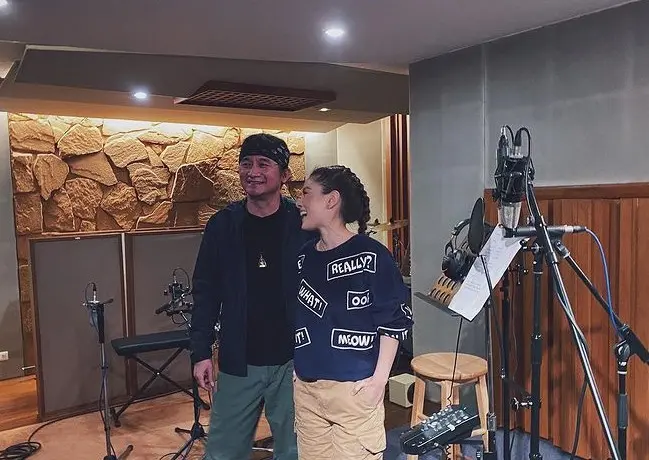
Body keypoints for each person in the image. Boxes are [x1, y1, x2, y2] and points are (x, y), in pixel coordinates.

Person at [190, 133, 316, 460]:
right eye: (246, 163)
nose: (253, 172)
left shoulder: (304, 225)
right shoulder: (223, 226)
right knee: (222, 452)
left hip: (294, 362)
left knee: (295, 451)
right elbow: (205, 290)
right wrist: (200, 352)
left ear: (284, 174)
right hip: (239, 360)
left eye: (263, 164)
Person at [293, 165, 414, 460]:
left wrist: (378, 382)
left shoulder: (372, 256)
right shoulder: (304, 257)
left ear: (331, 200)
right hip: (307, 392)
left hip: (354, 393)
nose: (299, 201)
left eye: (307, 193)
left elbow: (393, 323)